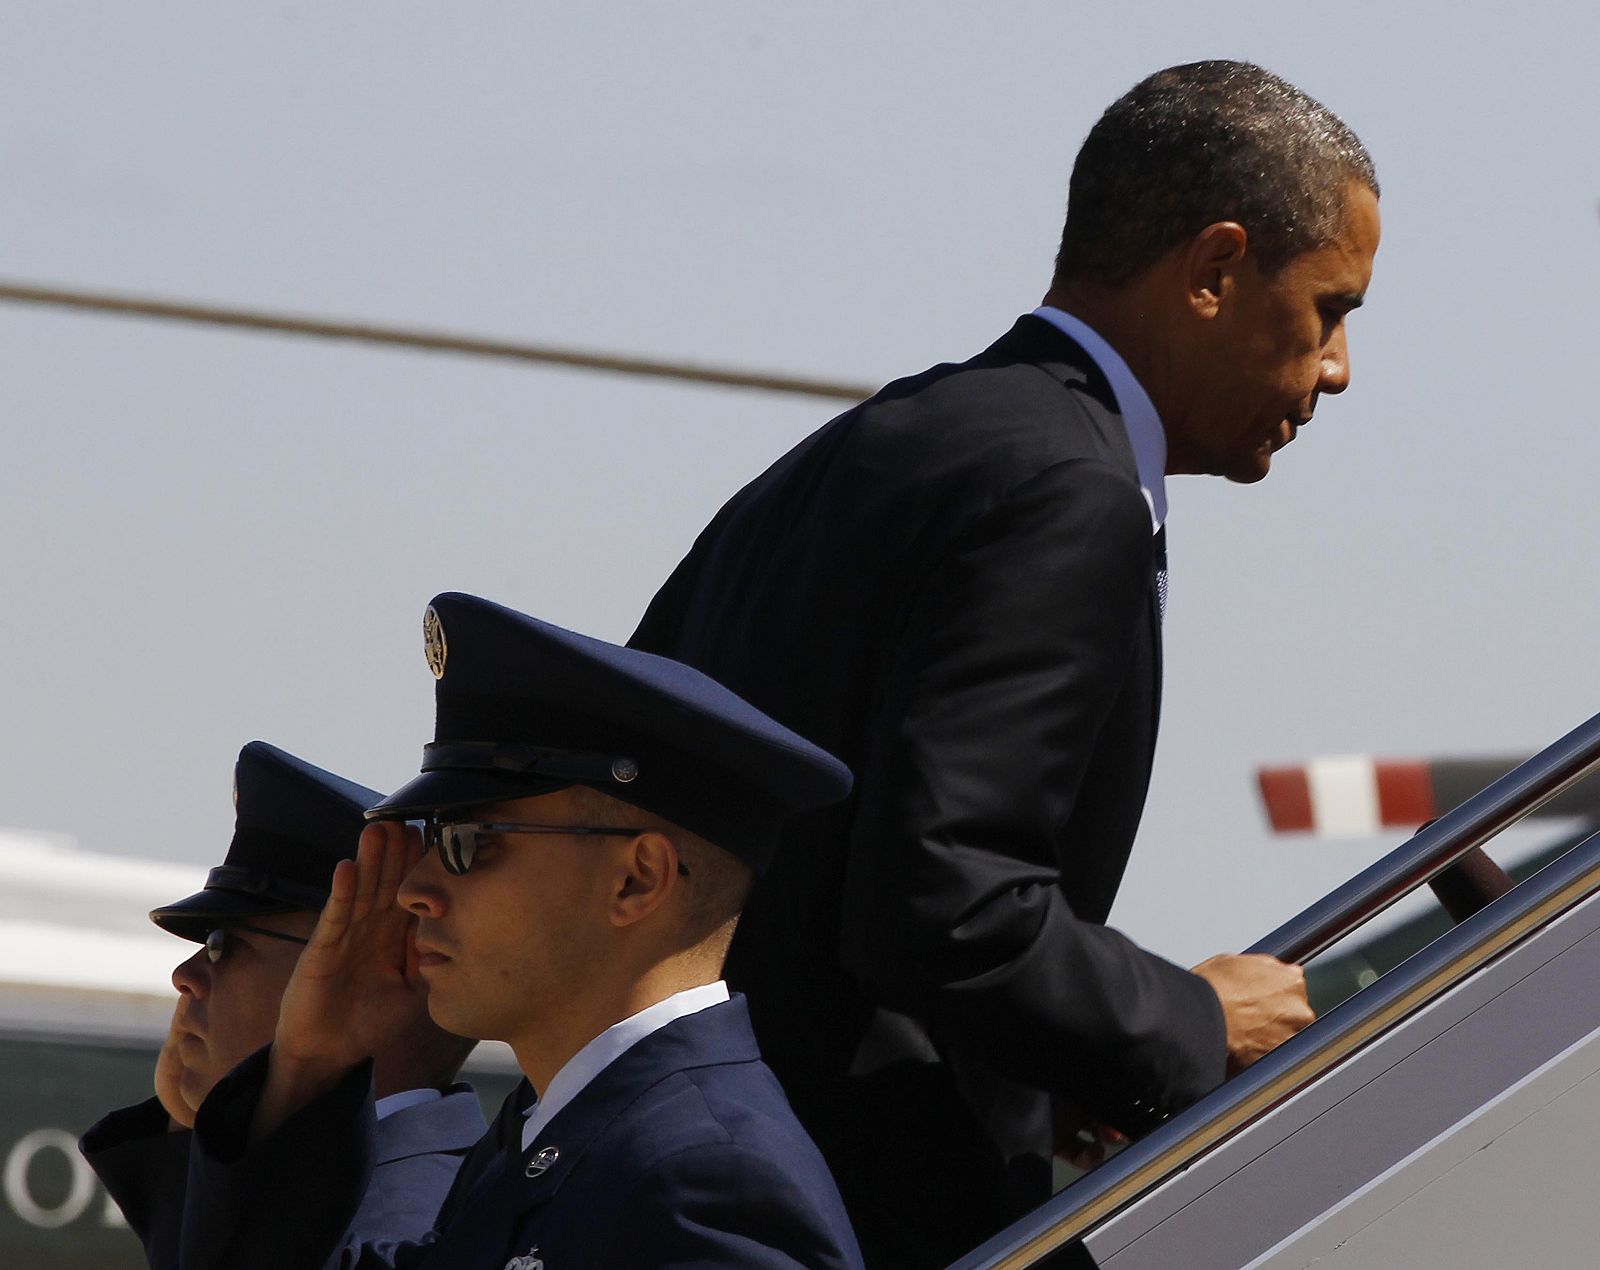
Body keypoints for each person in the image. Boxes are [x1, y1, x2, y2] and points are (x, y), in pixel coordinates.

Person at [628, 59, 1380, 1266]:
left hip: (675, 1165)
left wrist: (1059, 1058)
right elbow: (939, 902)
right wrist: (1192, 1020)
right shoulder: (1070, 491)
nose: (1337, 367)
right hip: (841, 1209)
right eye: (1328, 309)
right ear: (1214, 269)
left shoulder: (884, 442)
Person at [176, 593, 865, 1270]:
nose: (415, 891)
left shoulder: (708, 1180)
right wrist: (306, 1065)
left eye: (468, 843)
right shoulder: (554, 1137)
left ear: (636, 880)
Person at [80, 741, 484, 1270]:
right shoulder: (366, 1194)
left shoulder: (406, 1224)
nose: (186, 976)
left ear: (384, 971)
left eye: (225, 946)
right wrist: (189, 1130)